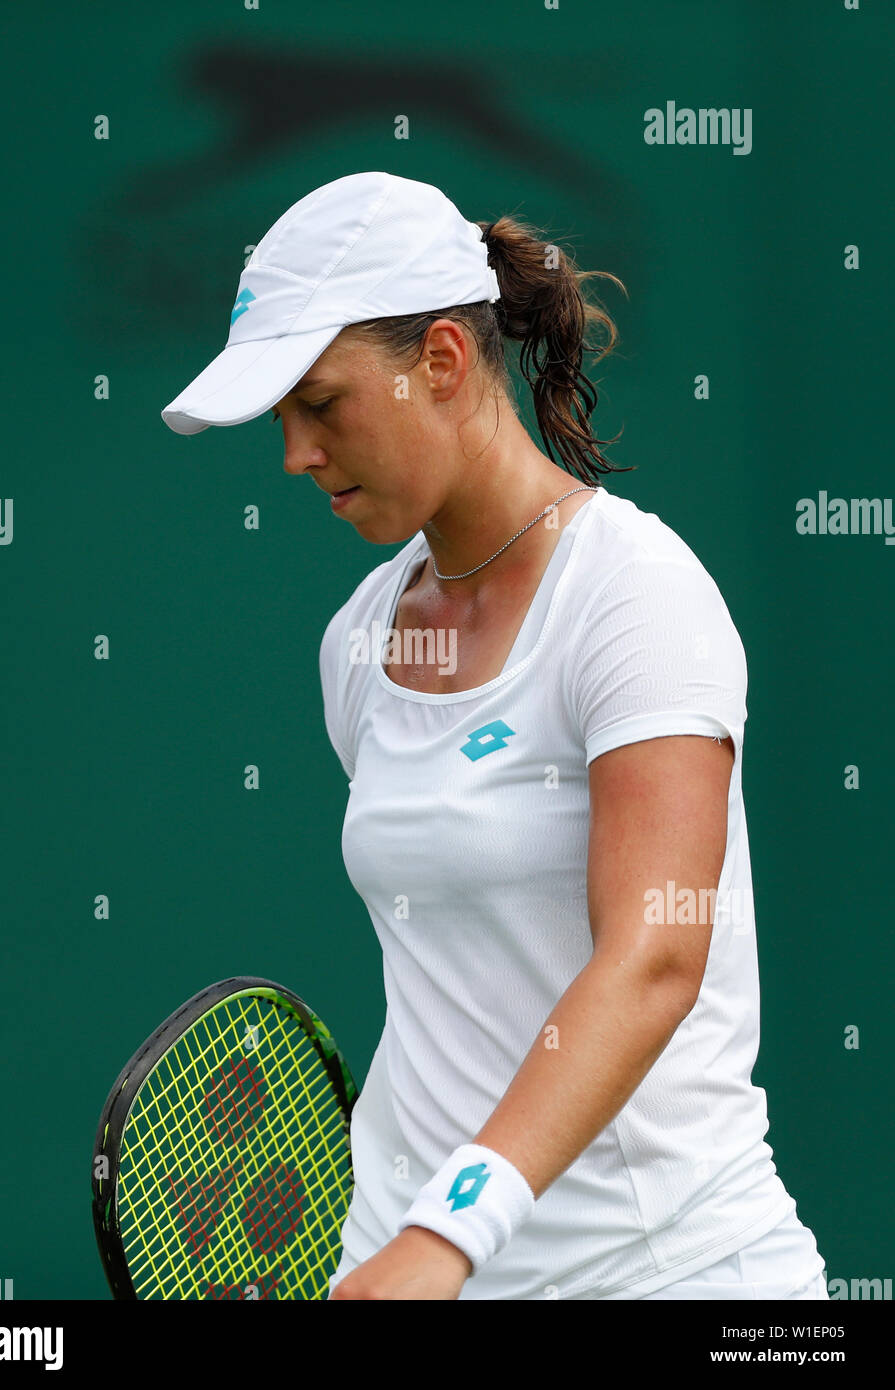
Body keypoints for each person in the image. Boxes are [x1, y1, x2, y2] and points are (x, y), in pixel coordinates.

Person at [161, 170, 829, 1301]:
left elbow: (656, 956)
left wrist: (446, 1234)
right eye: (279, 419)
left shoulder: (635, 595)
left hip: (675, 1276)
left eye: (319, 404)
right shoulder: (359, 644)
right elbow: (453, 988)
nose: (294, 454)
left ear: (441, 361)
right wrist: (403, 1238)